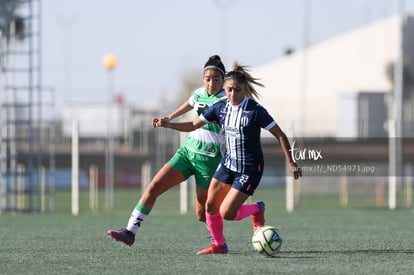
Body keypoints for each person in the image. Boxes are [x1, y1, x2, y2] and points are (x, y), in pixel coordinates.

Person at [157, 61, 302, 254]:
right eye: (229, 90)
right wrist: (169, 124)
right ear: (224, 89)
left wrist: (291, 162)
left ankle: (257, 208)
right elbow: (193, 124)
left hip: (249, 169)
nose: (233, 95)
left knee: (227, 213)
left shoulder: (254, 110)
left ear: (244, 90)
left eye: (237, 90)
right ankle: (219, 245)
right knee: (210, 205)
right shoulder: (220, 107)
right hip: (227, 164)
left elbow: (281, 135)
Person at [107, 55, 227, 246]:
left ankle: (226, 232)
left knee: (202, 213)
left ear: (223, 80)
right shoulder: (199, 93)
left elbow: (195, 124)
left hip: (209, 160)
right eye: (207, 78)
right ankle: (130, 231)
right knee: (154, 186)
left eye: (216, 79)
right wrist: (169, 117)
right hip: (187, 153)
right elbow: (190, 103)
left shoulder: (226, 100)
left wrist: (170, 125)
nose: (211, 83)